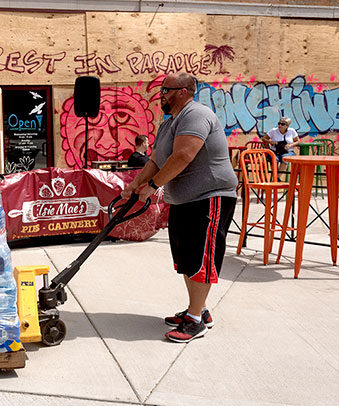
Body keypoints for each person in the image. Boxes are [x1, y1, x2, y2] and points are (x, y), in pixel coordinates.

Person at [121, 72, 238, 343]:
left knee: (201, 258)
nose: (161, 94)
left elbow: (184, 155)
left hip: (209, 196)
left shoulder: (196, 114)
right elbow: (156, 160)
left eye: (166, 89)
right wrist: (135, 184)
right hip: (184, 199)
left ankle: (195, 321)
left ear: (183, 91)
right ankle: (199, 310)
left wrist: (153, 185)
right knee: (185, 258)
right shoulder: (170, 122)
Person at [261, 117, 300, 181]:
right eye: (279, 123)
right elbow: (264, 138)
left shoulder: (291, 131)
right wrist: (271, 142)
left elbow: (297, 141)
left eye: (282, 124)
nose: (280, 125)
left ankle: (276, 178)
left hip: (287, 151)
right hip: (275, 150)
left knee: (285, 158)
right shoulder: (273, 131)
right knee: (274, 159)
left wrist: (290, 145)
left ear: (287, 126)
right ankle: (276, 178)